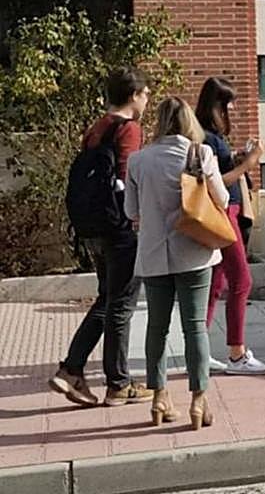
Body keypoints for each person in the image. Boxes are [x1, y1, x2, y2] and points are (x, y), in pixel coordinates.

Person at [48, 67, 154, 408]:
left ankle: (71, 369)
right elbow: (128, 176)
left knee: (107, 299)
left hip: (93, 227)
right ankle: (118, 384)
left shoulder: (97, 127)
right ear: (134, 95)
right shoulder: (129, 129)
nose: (148, 100)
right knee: (121, 304)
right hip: (121, 228)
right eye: (145, 94)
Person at [127, 97, 228, 429]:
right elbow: (222, 198)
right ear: (188, 121)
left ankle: (159, 396)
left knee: (156, 327)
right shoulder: (200, 154)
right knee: (194, 326)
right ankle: (198, 400)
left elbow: (131, 211)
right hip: (194, 250)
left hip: (154, 253)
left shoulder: (138, 160)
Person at [194, 77, 265, 376]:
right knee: (241, 280)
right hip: (223, 214)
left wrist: (237, 157)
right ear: (215, 106)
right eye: (227, 104)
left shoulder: (211, 136)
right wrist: (249, 163)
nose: (231, 110)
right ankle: (237, 354)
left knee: (215, 283)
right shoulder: (206, 138)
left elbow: (220, 169)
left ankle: (198, 351)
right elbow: (215, 182)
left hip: (228, 212)